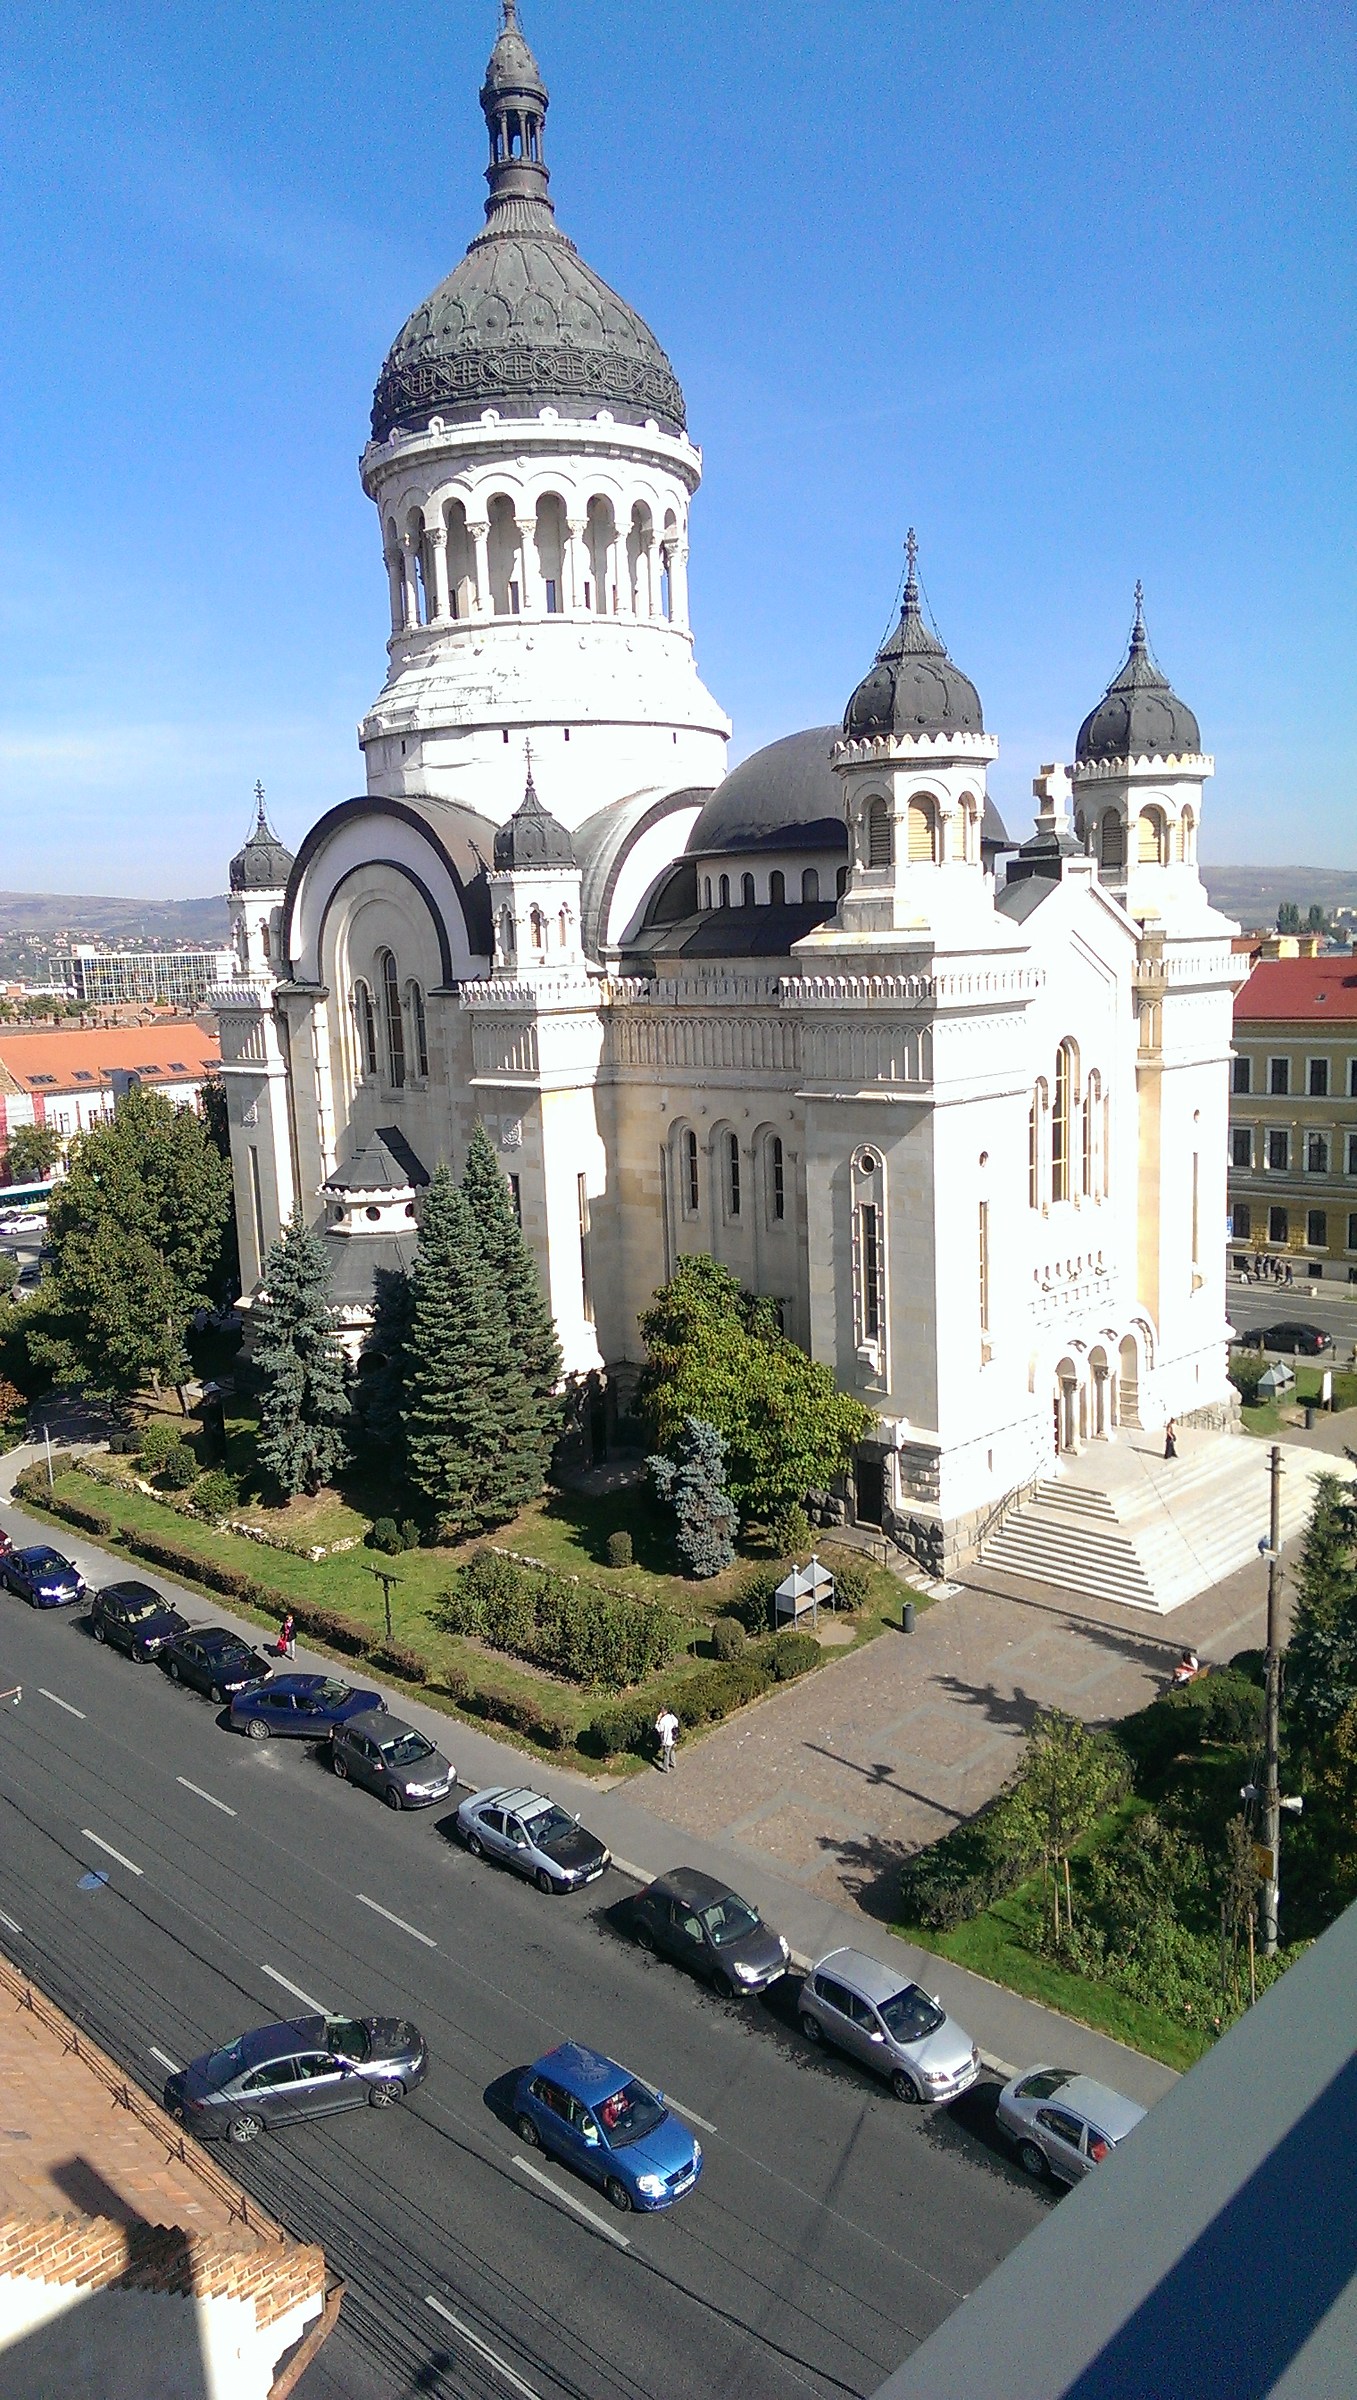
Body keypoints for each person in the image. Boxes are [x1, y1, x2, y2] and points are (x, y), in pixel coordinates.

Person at [654, 1704, 680, 1772]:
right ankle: (673, 1763)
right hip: (673, 1738)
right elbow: (676, 1723)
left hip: (667, 1740)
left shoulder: (662, 1721)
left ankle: (666, 1768)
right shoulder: (672, 1717)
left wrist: (657, 1720)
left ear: (661, 1712)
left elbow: (659, 1729)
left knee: (666, 1754)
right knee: (672, 1750)